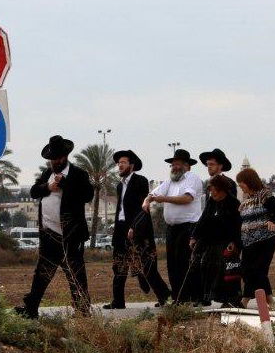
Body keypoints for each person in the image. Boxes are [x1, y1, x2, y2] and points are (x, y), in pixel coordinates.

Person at [16, 136, 94, 318]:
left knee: (75, 274)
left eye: (58, 158)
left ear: (65, 156)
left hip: (70, 236)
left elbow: (87, 195)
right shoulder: (47, 174)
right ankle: (31, 308)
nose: (55, 162)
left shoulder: (78, 174)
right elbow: (34, 191)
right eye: (52, 159)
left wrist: (64, 185)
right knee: (42, 274)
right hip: (49, 235)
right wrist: (48, 187)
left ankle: (82, 311)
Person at [105, 149, 171, 309]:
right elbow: (121, 210)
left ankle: (166, 297)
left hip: (138, 230)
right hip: (120, 230)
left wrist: (134, 227)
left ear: (131, 165)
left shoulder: (140, 181)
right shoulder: (120, 186)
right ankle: (118, 302)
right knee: (119, 266)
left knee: (148, 266)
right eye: (118, 163)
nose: (119, 166)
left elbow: (143, 209)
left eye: (123, 163)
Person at [143, 148, 204, 304]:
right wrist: (147, 200)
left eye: (177, 164)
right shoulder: (170, 181)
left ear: (187, 166)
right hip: (172, 228)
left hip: (188, 226)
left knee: (186, 263)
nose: (174, 167)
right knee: (173, 263)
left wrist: (164, 199)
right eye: (173, 165)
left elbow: (187, 198)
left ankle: (191, 297)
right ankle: (178, 297)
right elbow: (154, 193)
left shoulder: (193, 178)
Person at [191, 174, 242, 306]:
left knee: (224, 272)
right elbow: (203, 219)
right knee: (206, 267)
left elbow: (238, 226)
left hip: (226, 243)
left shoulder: (233, 203)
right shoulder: (211, 202)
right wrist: (194, 236)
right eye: (209, 189)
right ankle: (206, 297)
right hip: (210, 242)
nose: (211, 192)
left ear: (221, 189)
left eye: (213, 189)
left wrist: (234, 242)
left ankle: (229, 299)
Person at [237, 167, 275, 307]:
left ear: (249, 181)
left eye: (241, 183)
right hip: (249, 241)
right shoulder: (247, 199)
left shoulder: (264, 194)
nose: (240, 187)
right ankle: (271, 301)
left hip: (265, 239)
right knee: (247, 270)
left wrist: (271, 220)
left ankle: (244, 301)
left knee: (258, 270)